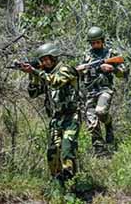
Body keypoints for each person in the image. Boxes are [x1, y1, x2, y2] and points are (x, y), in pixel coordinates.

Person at [21, 42, 81, 182]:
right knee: (52, 153)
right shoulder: (44, 74)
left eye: (47, 59)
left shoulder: (66, 69)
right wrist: (33, 76)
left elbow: (56, 82)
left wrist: (36, 71)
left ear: (54, 57)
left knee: (67, 149)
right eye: (42, 60)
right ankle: (57, 183)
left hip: (71, 117)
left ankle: (72, 181)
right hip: (56, 118)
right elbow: (33, 93)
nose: (45, 62)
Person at [76, 26, 126, 155]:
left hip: (105, 89)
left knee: (101, 111)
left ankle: (108, 124)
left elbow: (123, 73)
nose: (95, 45)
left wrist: (113, 69)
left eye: (97, 42)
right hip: (90, 91)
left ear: (102, 40)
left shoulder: (110, 54)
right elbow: (80, 73)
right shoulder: (87, 55)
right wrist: (92, 69)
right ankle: (100, 150)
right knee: (92, 123)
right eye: (92, 43)